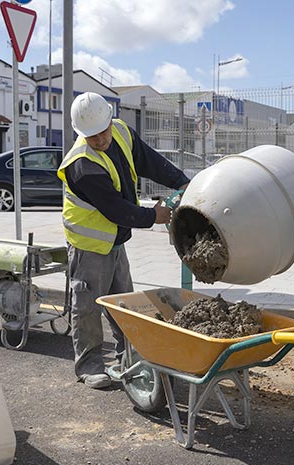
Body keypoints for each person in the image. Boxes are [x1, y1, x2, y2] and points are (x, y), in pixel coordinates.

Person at [57, 92, 190, 389]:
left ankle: (128, 356)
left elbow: (149, 161)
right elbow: (117, 210)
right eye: (92, 136)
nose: (101, 139)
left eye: (103, 131)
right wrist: (154, 216)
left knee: (123, 302)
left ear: (109, 121)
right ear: (81, 133)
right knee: (88, 306)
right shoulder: (82, 165)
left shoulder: (120, 131)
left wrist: (182, 181)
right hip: (88, 245)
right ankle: (89, 364)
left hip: (114, 241)